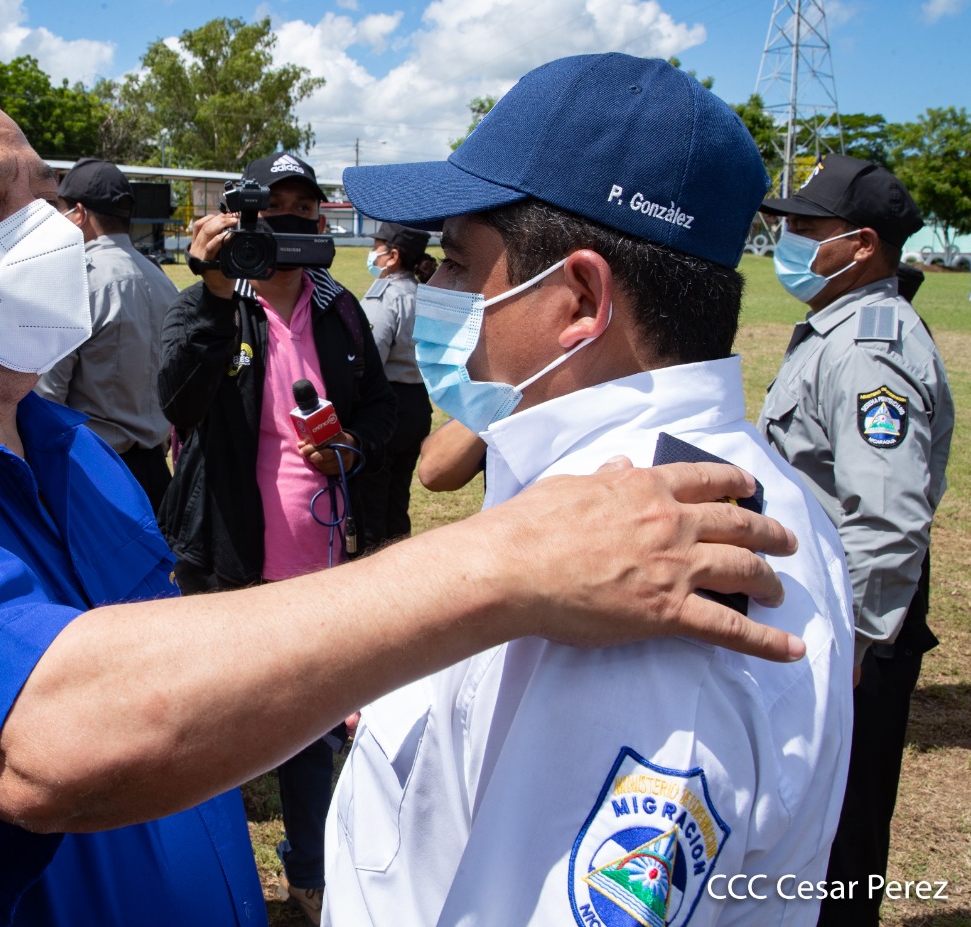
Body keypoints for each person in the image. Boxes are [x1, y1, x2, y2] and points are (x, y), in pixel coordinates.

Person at [0, 73, 807, 927]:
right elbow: (43, 737)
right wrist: (504, 564)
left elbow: (180, 663)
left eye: (43, 196)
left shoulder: (64, 448)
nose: (44, 232)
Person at [325, 52, 856, 926]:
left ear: (577, 298)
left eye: (457, 263)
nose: (436, 290)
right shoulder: (612, 507)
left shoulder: (649, 572)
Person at [159, 152, 397, 924]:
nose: (287, 222)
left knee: (311, 726)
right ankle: (215, 878)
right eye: (270, 209)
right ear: (240, 220)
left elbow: (384, 410)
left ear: (320, 219)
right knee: (220, 725)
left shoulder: (339, 307)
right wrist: (215, 291)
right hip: (227, 553)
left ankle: (310, 874)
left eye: (303, 208)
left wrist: (351, 446)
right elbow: (177, 400)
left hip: (322, 556)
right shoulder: (212, 304)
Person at [756, 153, 955, 927]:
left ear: (862, 244)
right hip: (827, 605)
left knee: (840, 842)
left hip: (856, 623)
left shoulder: (871, 349)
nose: (789, 241)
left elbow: (888, 519)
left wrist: (856, 646)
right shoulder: (837, 328)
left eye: (808, 228)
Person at [34, 157, 182, 511]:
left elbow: (47, 399)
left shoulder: (75, 279)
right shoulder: (162, 280)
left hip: (94, 476)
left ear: (79, 214)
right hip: (157, 473)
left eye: (60, 209)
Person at [359, 222, 433, 547]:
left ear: (393, 256)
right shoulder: (426, 293)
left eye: (376, 246)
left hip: (387, 404)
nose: (372, 254)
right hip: (418, 403)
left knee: (371, 500)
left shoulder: (386, 295)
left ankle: (374, 564)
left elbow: (369, 359)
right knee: (397, 499)